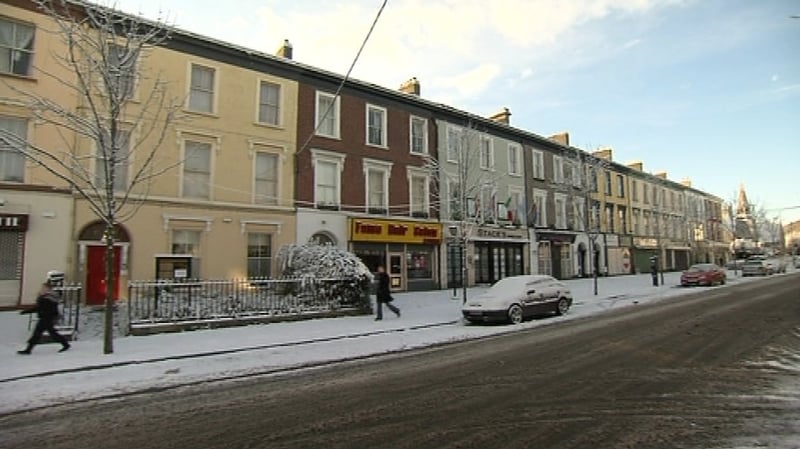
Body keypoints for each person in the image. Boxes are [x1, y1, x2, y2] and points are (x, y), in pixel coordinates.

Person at [17, 282, 70, 354]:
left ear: (48, 289)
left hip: (46, 318)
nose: (42, 289)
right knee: (51, 333)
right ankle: (65, 344)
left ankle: (28, 350)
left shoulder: (48, 298)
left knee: (38, 333)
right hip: (46, 317)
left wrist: (26, 311)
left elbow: (39, 308)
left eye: (43, 288)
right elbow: (40, 307)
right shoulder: (48, 297)